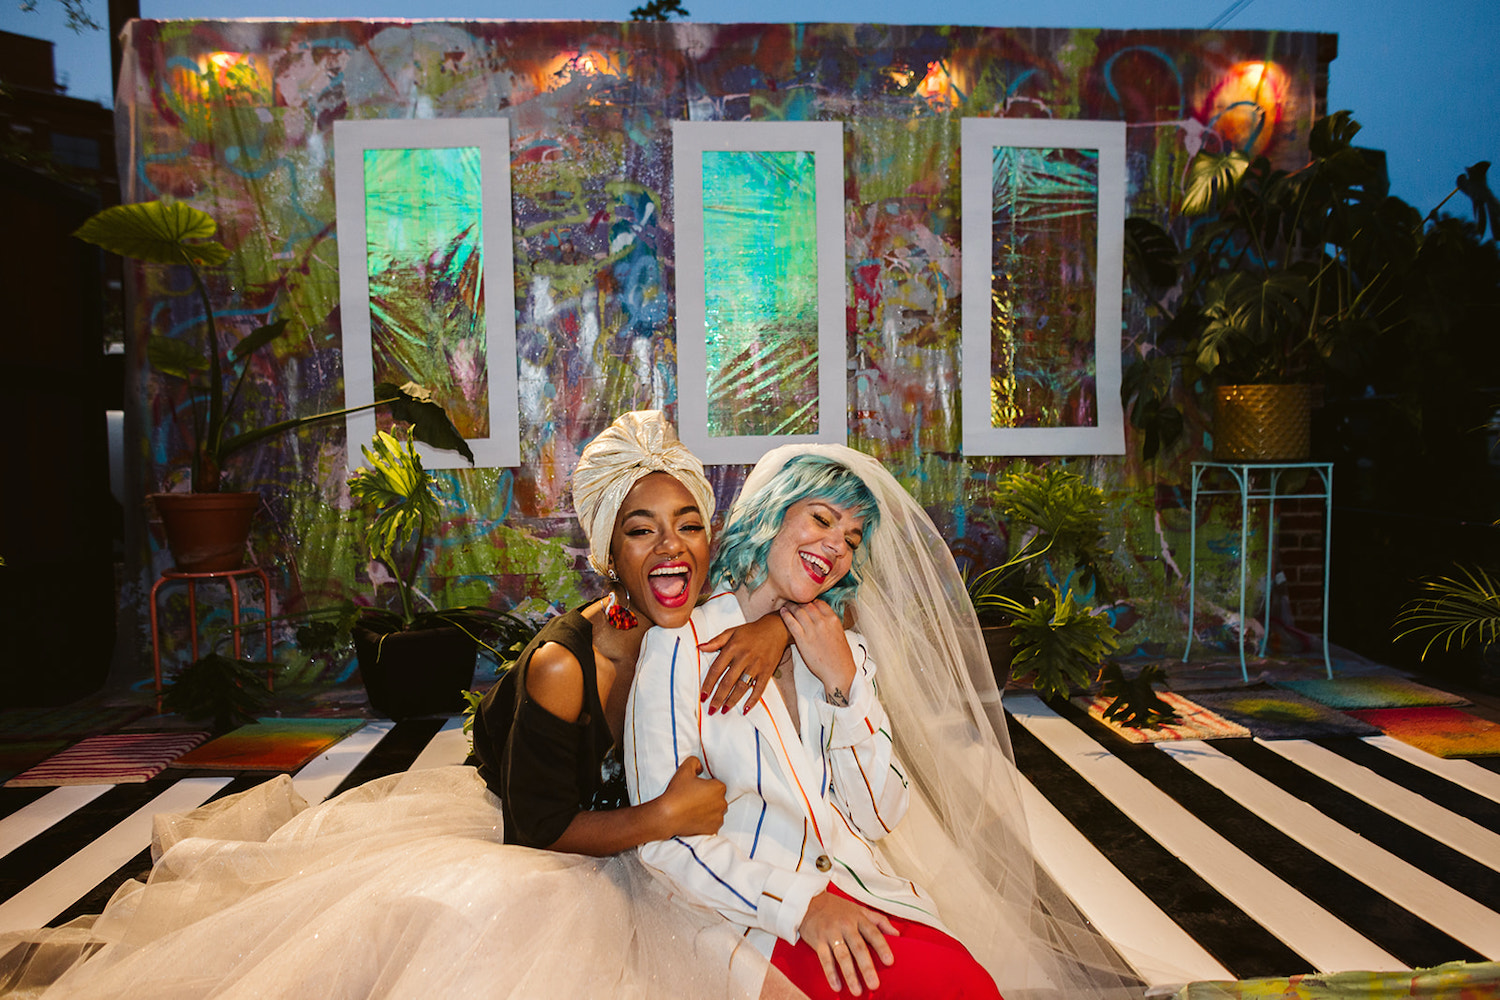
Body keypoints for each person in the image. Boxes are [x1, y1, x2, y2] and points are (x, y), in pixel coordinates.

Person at [626, 444, 1140, 1000]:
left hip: (859, 888)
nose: (834, 547)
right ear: (770, 514)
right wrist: (803, 908)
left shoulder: (844, 652)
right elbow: (666, 844)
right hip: (750, 917)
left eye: (850, 539)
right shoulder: (678, 649)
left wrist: (844, 687)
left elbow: (878, 814)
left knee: (971, 986)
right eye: (821, 518)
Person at [469, 410, 785, 854]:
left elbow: (841, 608)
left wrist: (777, 629)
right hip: (563, 850)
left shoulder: (715, 613)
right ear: (610, 555)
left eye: (689, 526)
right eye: (641, 530)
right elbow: (534, 831)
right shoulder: (566, 668)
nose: (672, 544)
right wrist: (663, 817)